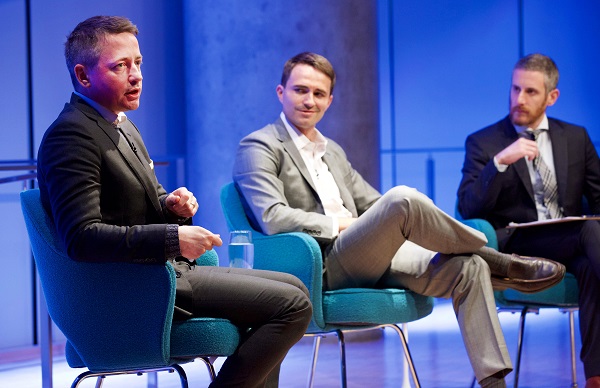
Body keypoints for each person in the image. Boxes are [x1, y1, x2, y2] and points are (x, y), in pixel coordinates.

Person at [233, 52, 565, 388]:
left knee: (467, 267)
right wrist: (347, 225)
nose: (309, 100)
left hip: (369, 256)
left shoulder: (331, 150)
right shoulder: (260, 145)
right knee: (402, 198)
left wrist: (389, 223)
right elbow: (273, 218)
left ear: (330, 100)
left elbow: (375, 204)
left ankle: (495, 383)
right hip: (321, 263)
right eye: (300, 90)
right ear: (280, 92)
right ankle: (499, 260)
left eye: (319, 94)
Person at [37, 16, 312, 387]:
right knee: (291, 305)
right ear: (84, 76)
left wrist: (170, 205)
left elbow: (127, 202)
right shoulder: (71, 135)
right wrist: (173, 238)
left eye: (138, 63)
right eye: (121, 66)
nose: (136, 75)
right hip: (138, 289)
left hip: (162, 274)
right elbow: (81, 237)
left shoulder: (119, 123)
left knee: (294, 288)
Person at [458, 53, 600, 388]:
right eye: (515, 89)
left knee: (591, 261)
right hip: (518, 244)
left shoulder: (575, 138)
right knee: (589, 231)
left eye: (531, 92)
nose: (519, 99)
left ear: (552, 96)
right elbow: (467, 207)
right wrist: (500, 163)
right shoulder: (484, 142)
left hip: (571, 240)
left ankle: (595, 376)